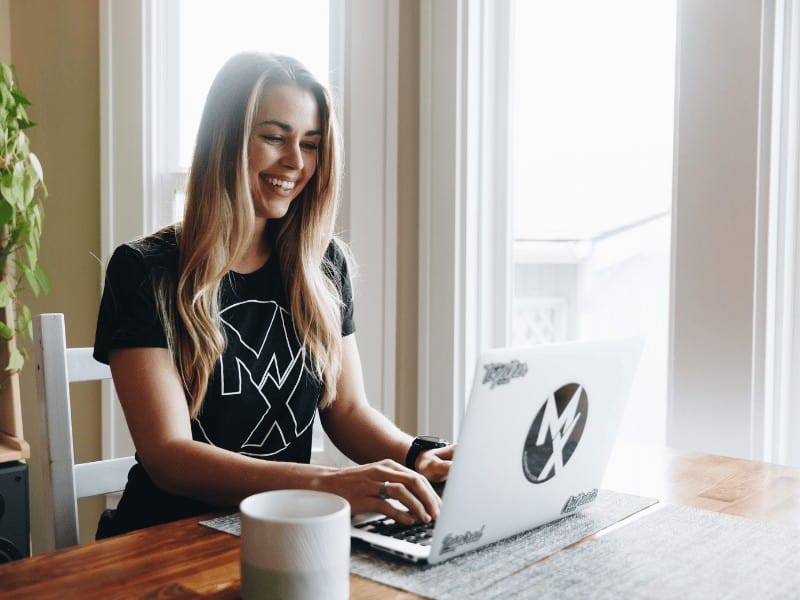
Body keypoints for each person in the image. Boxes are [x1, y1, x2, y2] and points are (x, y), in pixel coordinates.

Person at [93, 52, 453, 538]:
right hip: (167, 537)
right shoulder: (143, 270)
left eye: (311, 143)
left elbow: (346, 411)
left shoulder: (324, 265)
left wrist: (417, 455)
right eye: (274, 137)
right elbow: (168, 457)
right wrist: (330, 485)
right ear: (224, 139)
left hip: (284, 532)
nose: (296, 162)